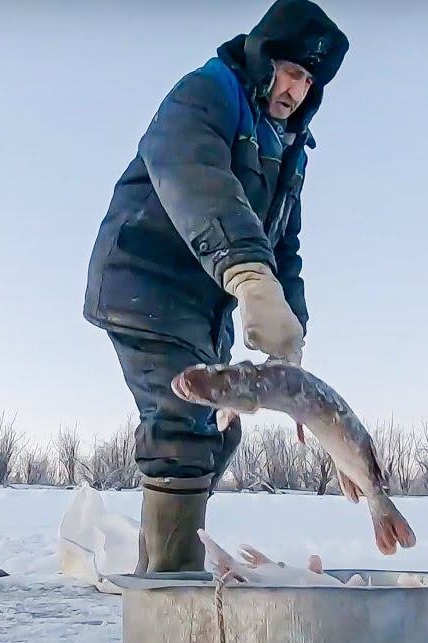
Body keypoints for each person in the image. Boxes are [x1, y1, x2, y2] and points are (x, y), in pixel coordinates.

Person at [82, 0, 349, 573]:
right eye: (291, 70)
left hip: (205, 305)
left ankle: (161, 574)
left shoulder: (287, 149)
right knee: (182, 424)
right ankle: (172, 596)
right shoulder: (208, 91)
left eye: (309, 80)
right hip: (146, 281)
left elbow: (285, 246)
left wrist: (290, 323)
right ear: (263, 57)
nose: (297, 89)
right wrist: (248, 276)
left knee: (220, 429)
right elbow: (194, 176)